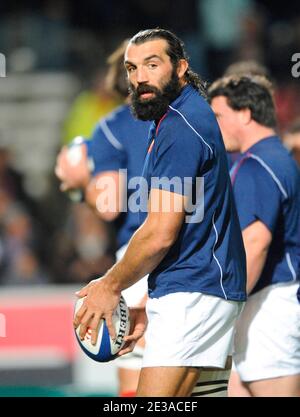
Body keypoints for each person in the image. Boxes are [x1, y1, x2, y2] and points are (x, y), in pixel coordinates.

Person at [73, 28, 246, 397]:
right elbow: (188, 227)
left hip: (193, 293)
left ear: (181, 67)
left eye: (152, 64)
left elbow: (159, 232)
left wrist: (109, 286)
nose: (140, 78)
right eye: (132, 68)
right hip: (200, 290)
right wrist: (151, 301)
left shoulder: (179, 128)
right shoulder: (177, 118)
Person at [55, 40, 151, 396]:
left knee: (137, 376)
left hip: (140, 260)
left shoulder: (114, 126)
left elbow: (109, 204)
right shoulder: (193, 117)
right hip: (199, 258)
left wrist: (81, 185)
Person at [208, 75, 300, 397]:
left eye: (218, 116)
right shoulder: (272, 158)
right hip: (263, 305)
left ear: (245, 113)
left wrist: (223, 306)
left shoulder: (259, 163)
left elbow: (255, 244)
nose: (213, 125)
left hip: (269, 306)